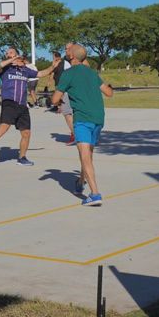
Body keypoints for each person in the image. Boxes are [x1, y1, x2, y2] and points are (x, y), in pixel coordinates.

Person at [52, 44, 113, 206]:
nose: (65, 51)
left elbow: (54, 100)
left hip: (82, 119)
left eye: (67, 50)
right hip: (98, 119)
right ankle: (80, 181)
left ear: (72, 55)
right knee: (87, 155)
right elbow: (109, 92)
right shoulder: (92, 73)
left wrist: (59, 95)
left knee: (85, 156)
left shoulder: (68, 74)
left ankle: (95, 194)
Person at [0, 49, 59, 169]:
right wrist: (11, 59)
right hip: (9, 103)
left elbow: (40, 74)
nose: (7, 54)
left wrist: (52, 66)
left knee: (26, 133)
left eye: (10, 52)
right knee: (3, 129)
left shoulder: (25, 70)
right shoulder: (5, 69)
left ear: (17, 54)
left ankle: (22, 158)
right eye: (6, 53)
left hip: (22, 104)